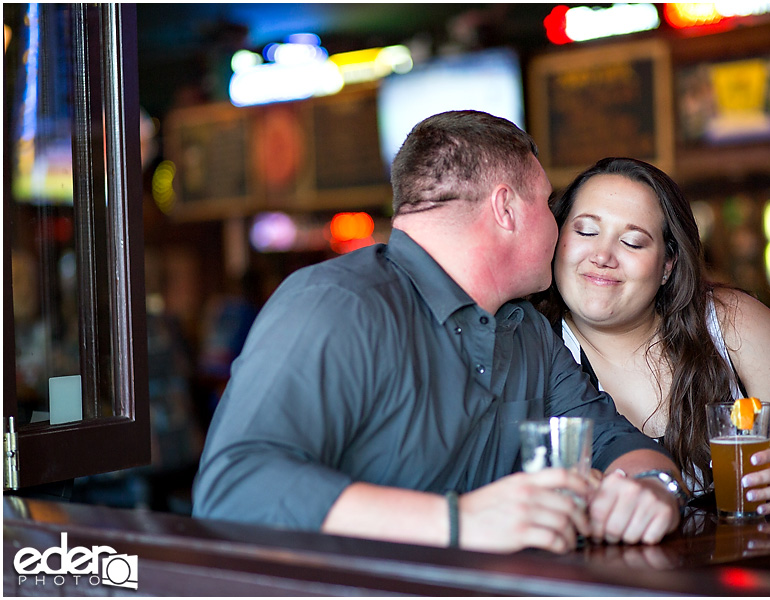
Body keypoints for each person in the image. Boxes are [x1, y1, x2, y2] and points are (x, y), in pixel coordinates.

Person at [193, 112, 687, 554]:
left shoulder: (526, 332)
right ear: (507, 209)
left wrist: (653, 487)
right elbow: (234, 490)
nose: (556, 228)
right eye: (546, 203)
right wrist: (459, 522)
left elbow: (611, 440)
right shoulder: (338, 304)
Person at [530, 157, 770, 516]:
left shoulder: (727, 322)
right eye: (586, 231)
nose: (603, 256)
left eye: (632, 242)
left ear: (667, 265)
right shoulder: (527, 345)